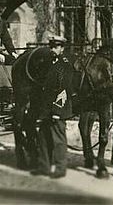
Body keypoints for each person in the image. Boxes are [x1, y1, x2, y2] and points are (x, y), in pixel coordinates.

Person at [32, 35, 73, 179]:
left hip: (57, 110)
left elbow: (64, 90)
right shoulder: (50, 63)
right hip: (47, 110)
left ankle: (60, 169)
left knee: (58, 140)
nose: (52, 49)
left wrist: (57, 111)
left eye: (56, 47)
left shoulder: (64, 66)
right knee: (43, 138)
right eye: (51, 46)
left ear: (62, 48)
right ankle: (44, 166)